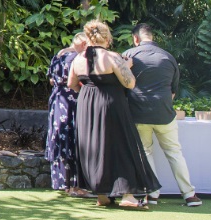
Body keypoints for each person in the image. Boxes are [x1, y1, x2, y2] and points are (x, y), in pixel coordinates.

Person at [67, 20, 159, 209]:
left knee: (94, 148)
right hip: (110, 104)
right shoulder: (112, 57)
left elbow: (71, 84)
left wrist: (88, 93)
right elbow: (130, 83)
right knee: (120, 145)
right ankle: (128, 195)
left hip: (86, 105)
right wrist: (128, 66)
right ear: (107, 37)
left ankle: (102, 195)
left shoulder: (77, 59)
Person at [125, 24, 202, 207]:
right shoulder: (168, 57)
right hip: (164, 113)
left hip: (138, 112)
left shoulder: (129, 55)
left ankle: (152, 194)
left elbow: (124, 84)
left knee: (145, 152)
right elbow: (173, 91)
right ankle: (189, 194)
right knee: (174, 152)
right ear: (152, 37)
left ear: (136, 38)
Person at [46, 33, 89, 198]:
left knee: (60, 138)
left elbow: (51, 80)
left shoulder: (59, 55)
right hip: (72, 99)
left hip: (57, 99)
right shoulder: (78, 58)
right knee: (73, 139)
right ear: (84, 43)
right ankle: (75, 186)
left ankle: (63, 183)